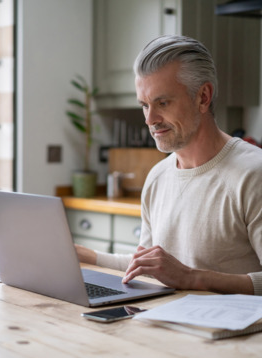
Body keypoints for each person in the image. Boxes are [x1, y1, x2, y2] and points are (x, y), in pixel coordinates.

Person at [76, 35, 262, 295]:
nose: (150, 119)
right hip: (165, 329)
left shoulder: (253, 173)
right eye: (144, 105)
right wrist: (85, 256)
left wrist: (191, 278)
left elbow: (182, 275)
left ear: (203, 97)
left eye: (162, 103)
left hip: (233, 334)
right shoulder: (157, 177)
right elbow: (149, 265)